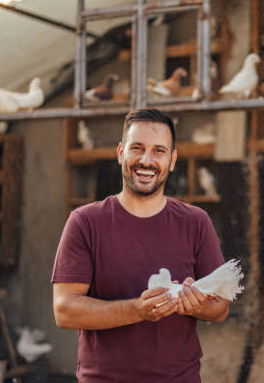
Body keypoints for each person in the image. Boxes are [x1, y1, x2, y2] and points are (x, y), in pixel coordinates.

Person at [52, 109, 230, 382]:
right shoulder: (85, 222)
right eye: (137, 148)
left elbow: (220, 308)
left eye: (159, 151)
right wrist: (137, 310)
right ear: (121, 153)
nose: (147, 161)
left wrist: (193, 305)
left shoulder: (196, 223)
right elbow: (64, 310)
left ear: (172, 161)